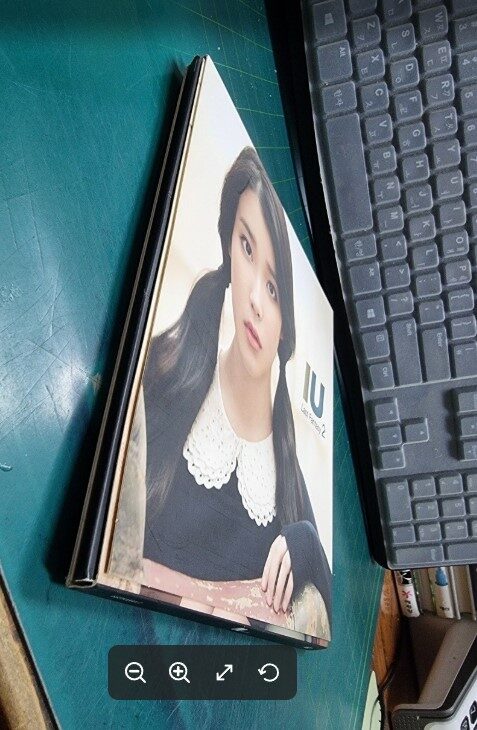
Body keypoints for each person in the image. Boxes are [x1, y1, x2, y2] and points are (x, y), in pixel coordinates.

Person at [114, 147, 331, 631]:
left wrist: (307, 545)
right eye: (247, 248)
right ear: (229, 245)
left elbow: (325, 611)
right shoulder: (163, 375)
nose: (254, 299)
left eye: (274, 289)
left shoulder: (285, 471)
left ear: (287, 324)